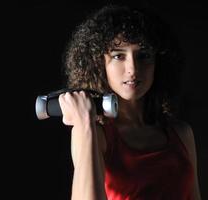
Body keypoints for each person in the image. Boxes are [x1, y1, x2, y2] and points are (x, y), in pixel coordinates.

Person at [58, 3, 202, 200]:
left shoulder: (182, 133)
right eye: (119, 56)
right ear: (100, 64)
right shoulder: (96, 135)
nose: (133, 69)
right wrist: (84, 123)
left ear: (158, 63)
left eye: (143, 56)